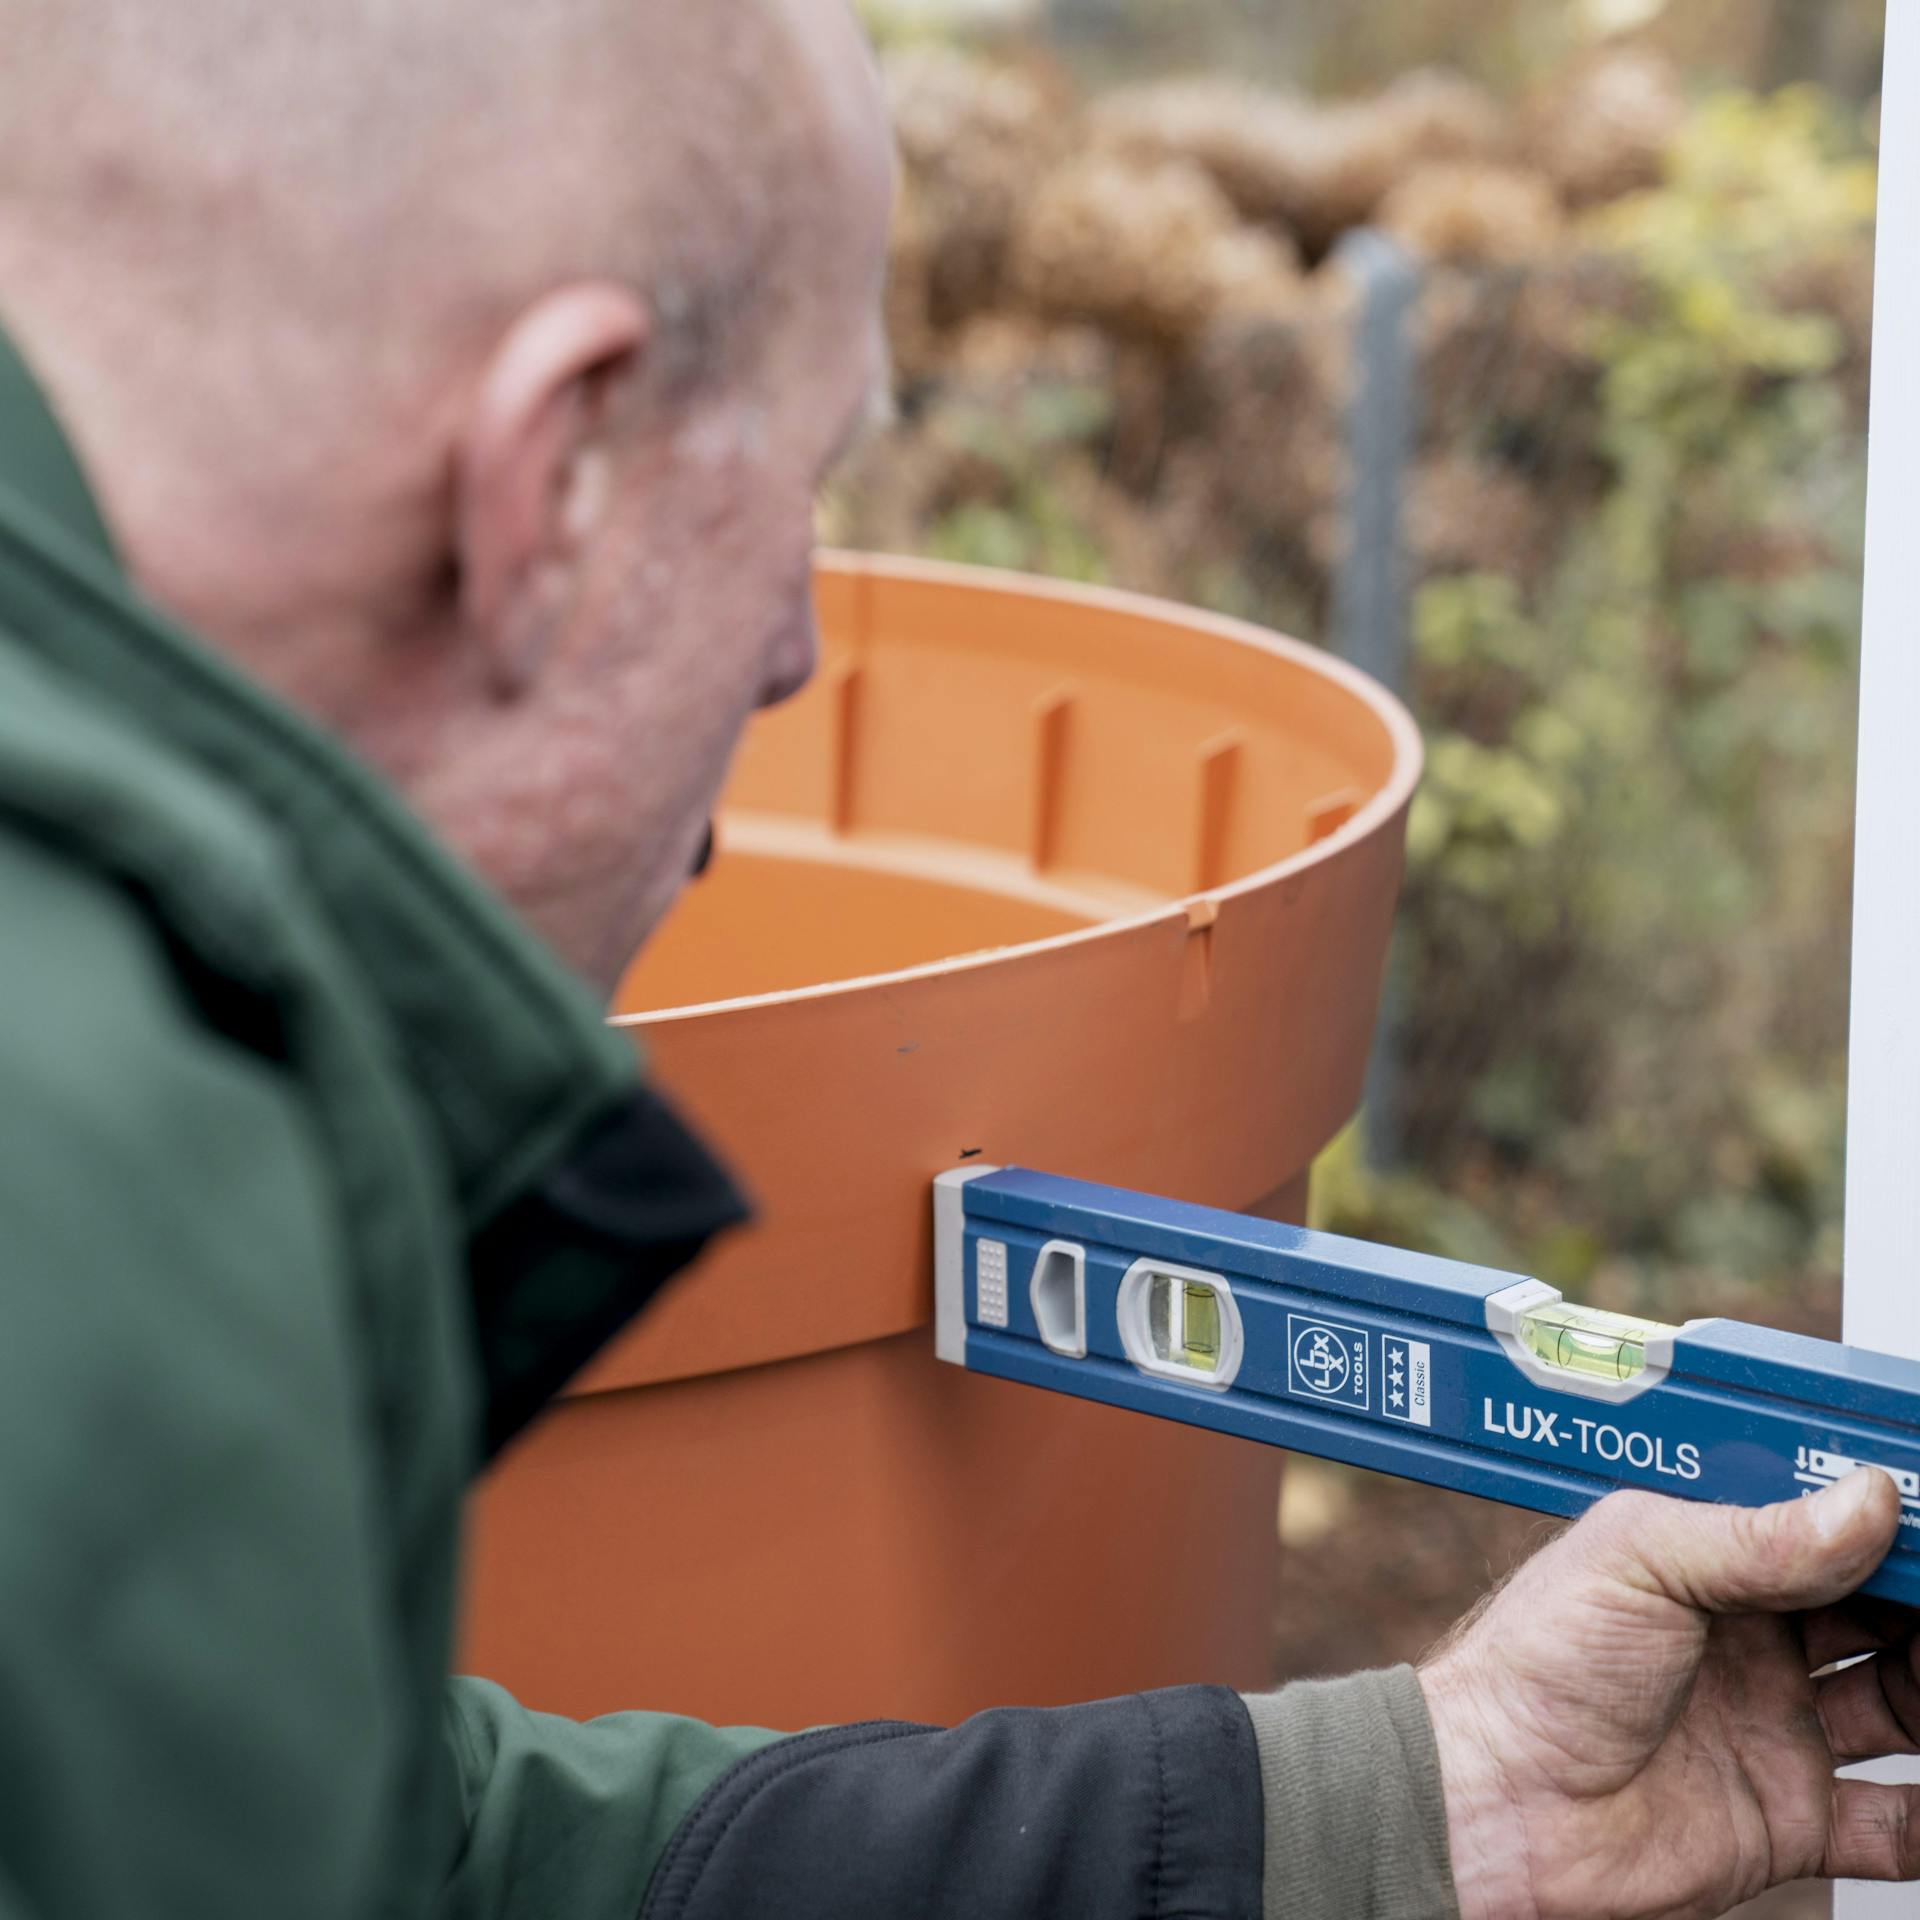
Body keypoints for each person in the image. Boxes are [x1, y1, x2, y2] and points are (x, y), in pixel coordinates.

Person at [0, 2, 1913, 1915]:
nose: (795, 658)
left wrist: (1429, 1799)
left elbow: (424, 1860)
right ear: (555, 481)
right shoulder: (114, 1234)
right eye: (801, 496)